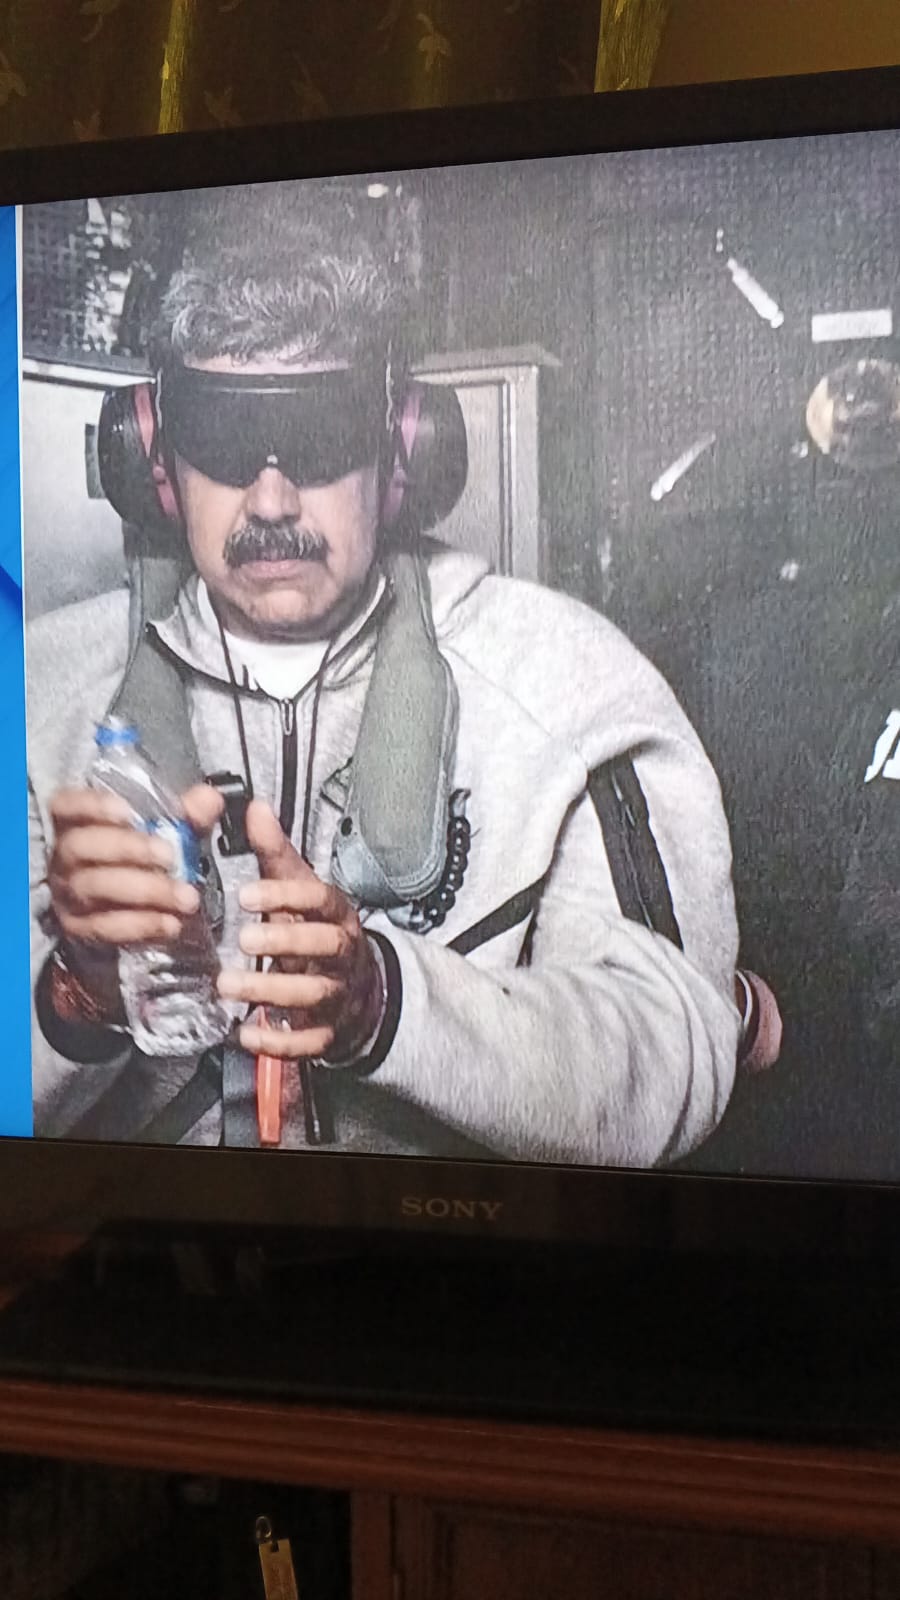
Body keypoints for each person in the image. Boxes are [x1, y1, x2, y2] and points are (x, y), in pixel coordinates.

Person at [26, 182, 741, 1161]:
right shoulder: (31, 699)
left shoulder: (572, 685)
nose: (270, 501)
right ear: (153, 455)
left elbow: (675, 1053)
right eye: (224, 442)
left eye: (320, 438)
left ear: (403, 449)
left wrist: (387, 1005)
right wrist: (76, 995)